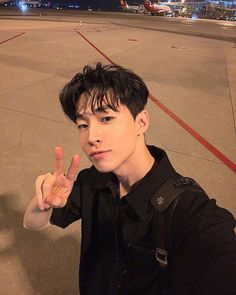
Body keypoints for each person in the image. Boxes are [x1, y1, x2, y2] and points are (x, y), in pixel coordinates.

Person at [23, 62, 236, 295]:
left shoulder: (187, 210)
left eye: (106, 118)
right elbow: (32, 223)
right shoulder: (92, 181)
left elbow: (218, 251)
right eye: (83, 124)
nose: (91, 136)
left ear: (141, 122)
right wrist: (43, 202)